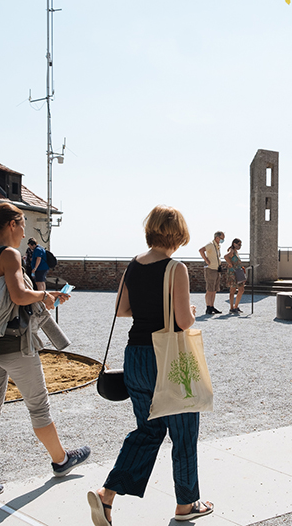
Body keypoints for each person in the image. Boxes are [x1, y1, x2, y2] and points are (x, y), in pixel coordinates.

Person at [88, 205, 213, 525]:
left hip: (136, 355)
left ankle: (107, 495)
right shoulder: (176, 269)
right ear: (179, 234)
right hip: (167, 357)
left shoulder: (133, 265)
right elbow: (184, 322)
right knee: (183, 433)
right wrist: (191, 311)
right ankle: (186, 504)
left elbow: (122, 309)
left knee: (148, 429)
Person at [0, 203, 85, 503]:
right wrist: (45, 294)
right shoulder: (10, 254)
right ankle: (61, 460)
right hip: (16, 345)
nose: (25, 230)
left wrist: (44, 299)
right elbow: (17, 295)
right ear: (12, 224)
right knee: (39, 407)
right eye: (23, 223)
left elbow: (4, 301)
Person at [199, 231, 225, 315]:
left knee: (214, 290)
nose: (223, 240)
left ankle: (212, 306)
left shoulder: (218, 246)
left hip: (217, 269)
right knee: (210, 289)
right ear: (217, 238)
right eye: (222, 238)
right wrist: (206, 260)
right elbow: (201, 250)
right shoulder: (210, 244)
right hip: (211, 269)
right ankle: (208, 307)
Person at [223, 238, 246, 314]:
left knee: (241, 289)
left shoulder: (236, 251)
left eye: (240, 245)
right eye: (238, 244)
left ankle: (236, 306)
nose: (240, 246)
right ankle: (232, 307)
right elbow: (226, 256)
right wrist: (230, 264)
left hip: (238, 272)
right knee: (232, 290)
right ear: (234, 244)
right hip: (233, 273)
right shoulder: (232, 251)